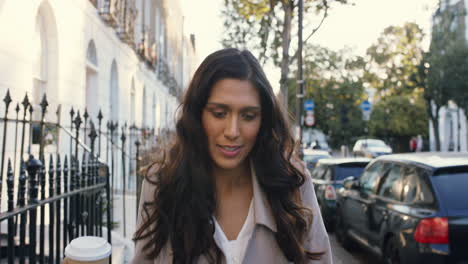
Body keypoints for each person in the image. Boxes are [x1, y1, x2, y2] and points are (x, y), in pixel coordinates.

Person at [132, 48, 331, 264]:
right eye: (219, 113)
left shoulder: (292, 183)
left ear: (263, 121)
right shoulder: (163, 183)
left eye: (248, 116)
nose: (232, 131)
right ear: (198, 114)